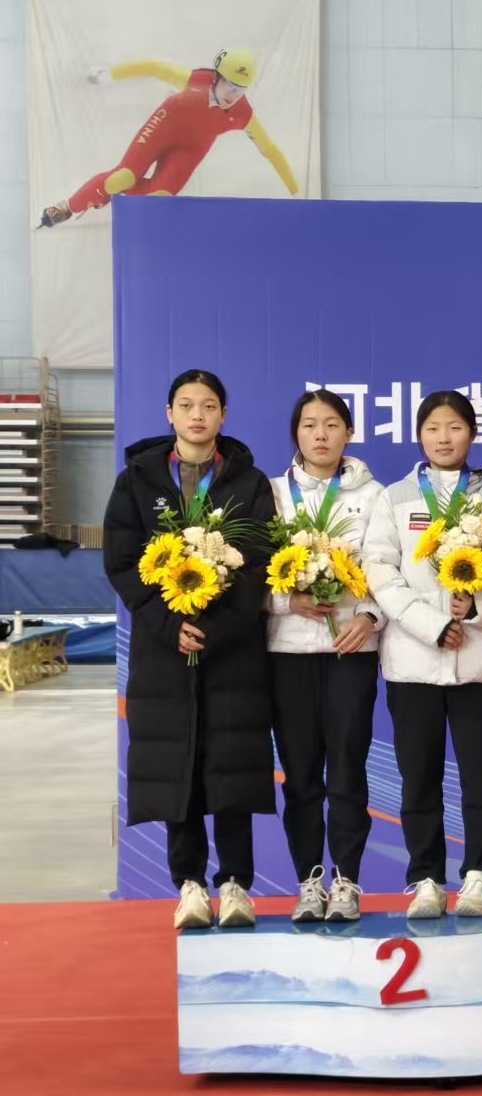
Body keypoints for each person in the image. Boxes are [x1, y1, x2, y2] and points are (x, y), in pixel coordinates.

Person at [102, 368, 276, 929]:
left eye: (208, 405)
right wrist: (167, 621)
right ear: (169, 413)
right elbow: (121, 562)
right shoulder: (136, 481)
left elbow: (259, 564)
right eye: (186, 404)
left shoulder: (248, 482)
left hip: (233, 650)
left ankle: (237, 886)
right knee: (178, 766)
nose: (197, 415)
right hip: (164, 649)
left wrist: (217, 628)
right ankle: (191, 886)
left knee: (230, 766)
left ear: (223, 415)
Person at [362, 391, 482, 920]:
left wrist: (475, 610)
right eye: (433, 428)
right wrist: (433, 625)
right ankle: (425, 878)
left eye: (454, 427)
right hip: (413, 662)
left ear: (471, 434)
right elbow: (380, 574)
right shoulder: (394, 498)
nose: (444, 438)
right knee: (419, 778)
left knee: (481, 776)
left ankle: (480, 876)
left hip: (480, 662)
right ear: (419, 436)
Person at [266, 391, 385, 923]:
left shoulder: (375, 495)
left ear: (349, 432)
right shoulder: (272, 493)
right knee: (300, 777)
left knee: (348, 772)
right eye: (310, 424)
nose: (320, 434)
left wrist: (370, 617)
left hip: (349, 652)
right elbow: (250, 573)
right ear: (296, 433)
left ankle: (347, 881)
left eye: (332, 424)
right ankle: (308, 882)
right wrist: (285, 601)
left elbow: (387, 569)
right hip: (287, 653)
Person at [39, 49, 298, 228]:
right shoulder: (194, 81)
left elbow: (271, 151)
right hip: (164, 127)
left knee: (158, 200)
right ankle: (68, 207)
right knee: (122, 177)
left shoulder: (242, 114)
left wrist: (296, 193)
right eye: (231, 87)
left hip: (190, 150)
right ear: (217, 77)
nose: (234, 96)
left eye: (241, 90)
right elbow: (153, 67)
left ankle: (106, 193)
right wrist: (107, 75)